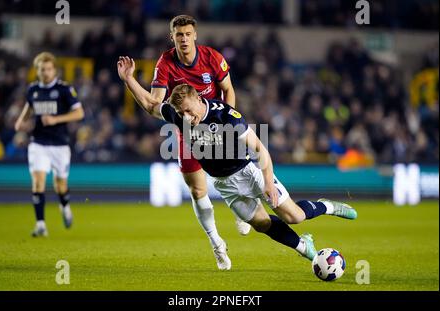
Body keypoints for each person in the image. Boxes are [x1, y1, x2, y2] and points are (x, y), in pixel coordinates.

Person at [117, 56, 358, 266]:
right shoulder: (178, 114)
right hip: (224, 184)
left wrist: (268, 182)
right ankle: (304, 246)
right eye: (182, 114)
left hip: (248, 173)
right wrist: (129, 79)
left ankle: (327, 206)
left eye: (190, 111)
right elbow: (150, 104)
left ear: (199, 100)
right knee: (262, 224)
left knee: (293, 216)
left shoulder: (226, 116)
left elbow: (260, 149)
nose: (188, 118)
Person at [147, 15, 250, 270]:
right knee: (197, 191)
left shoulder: (212, 57)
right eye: (178, 35)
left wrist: (227, 120)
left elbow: (229, 89)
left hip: (215, 124)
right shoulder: (165, 63)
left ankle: (240, 211)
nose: (183, 39)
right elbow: (155, 101)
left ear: (195, 35)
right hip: (187, 132)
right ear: (172, 37)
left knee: (229, 175)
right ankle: (217, 244)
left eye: (187, 34)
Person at [15, 52, 85, 237]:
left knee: (59, 185)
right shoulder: (33, 90)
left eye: (48, 69)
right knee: (38, 182)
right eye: (41, 69)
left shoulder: (64, 90)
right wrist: (21, 126)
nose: (45, 72)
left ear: (54, 70)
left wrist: (55, 120)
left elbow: (79, 114)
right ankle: (40, 224)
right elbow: (23, 118)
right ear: (37, 71)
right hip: (38, 143)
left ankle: (65, 206)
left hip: (60, 144)